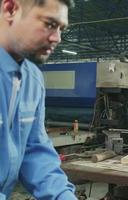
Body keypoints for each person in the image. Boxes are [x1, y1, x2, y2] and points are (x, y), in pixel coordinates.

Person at [0, 0, 77, 199]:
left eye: (62, 28)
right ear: (11, 9)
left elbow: (34, 151)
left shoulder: (32, 78)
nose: (57, 38)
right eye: (50, 24)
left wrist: (63, 196)